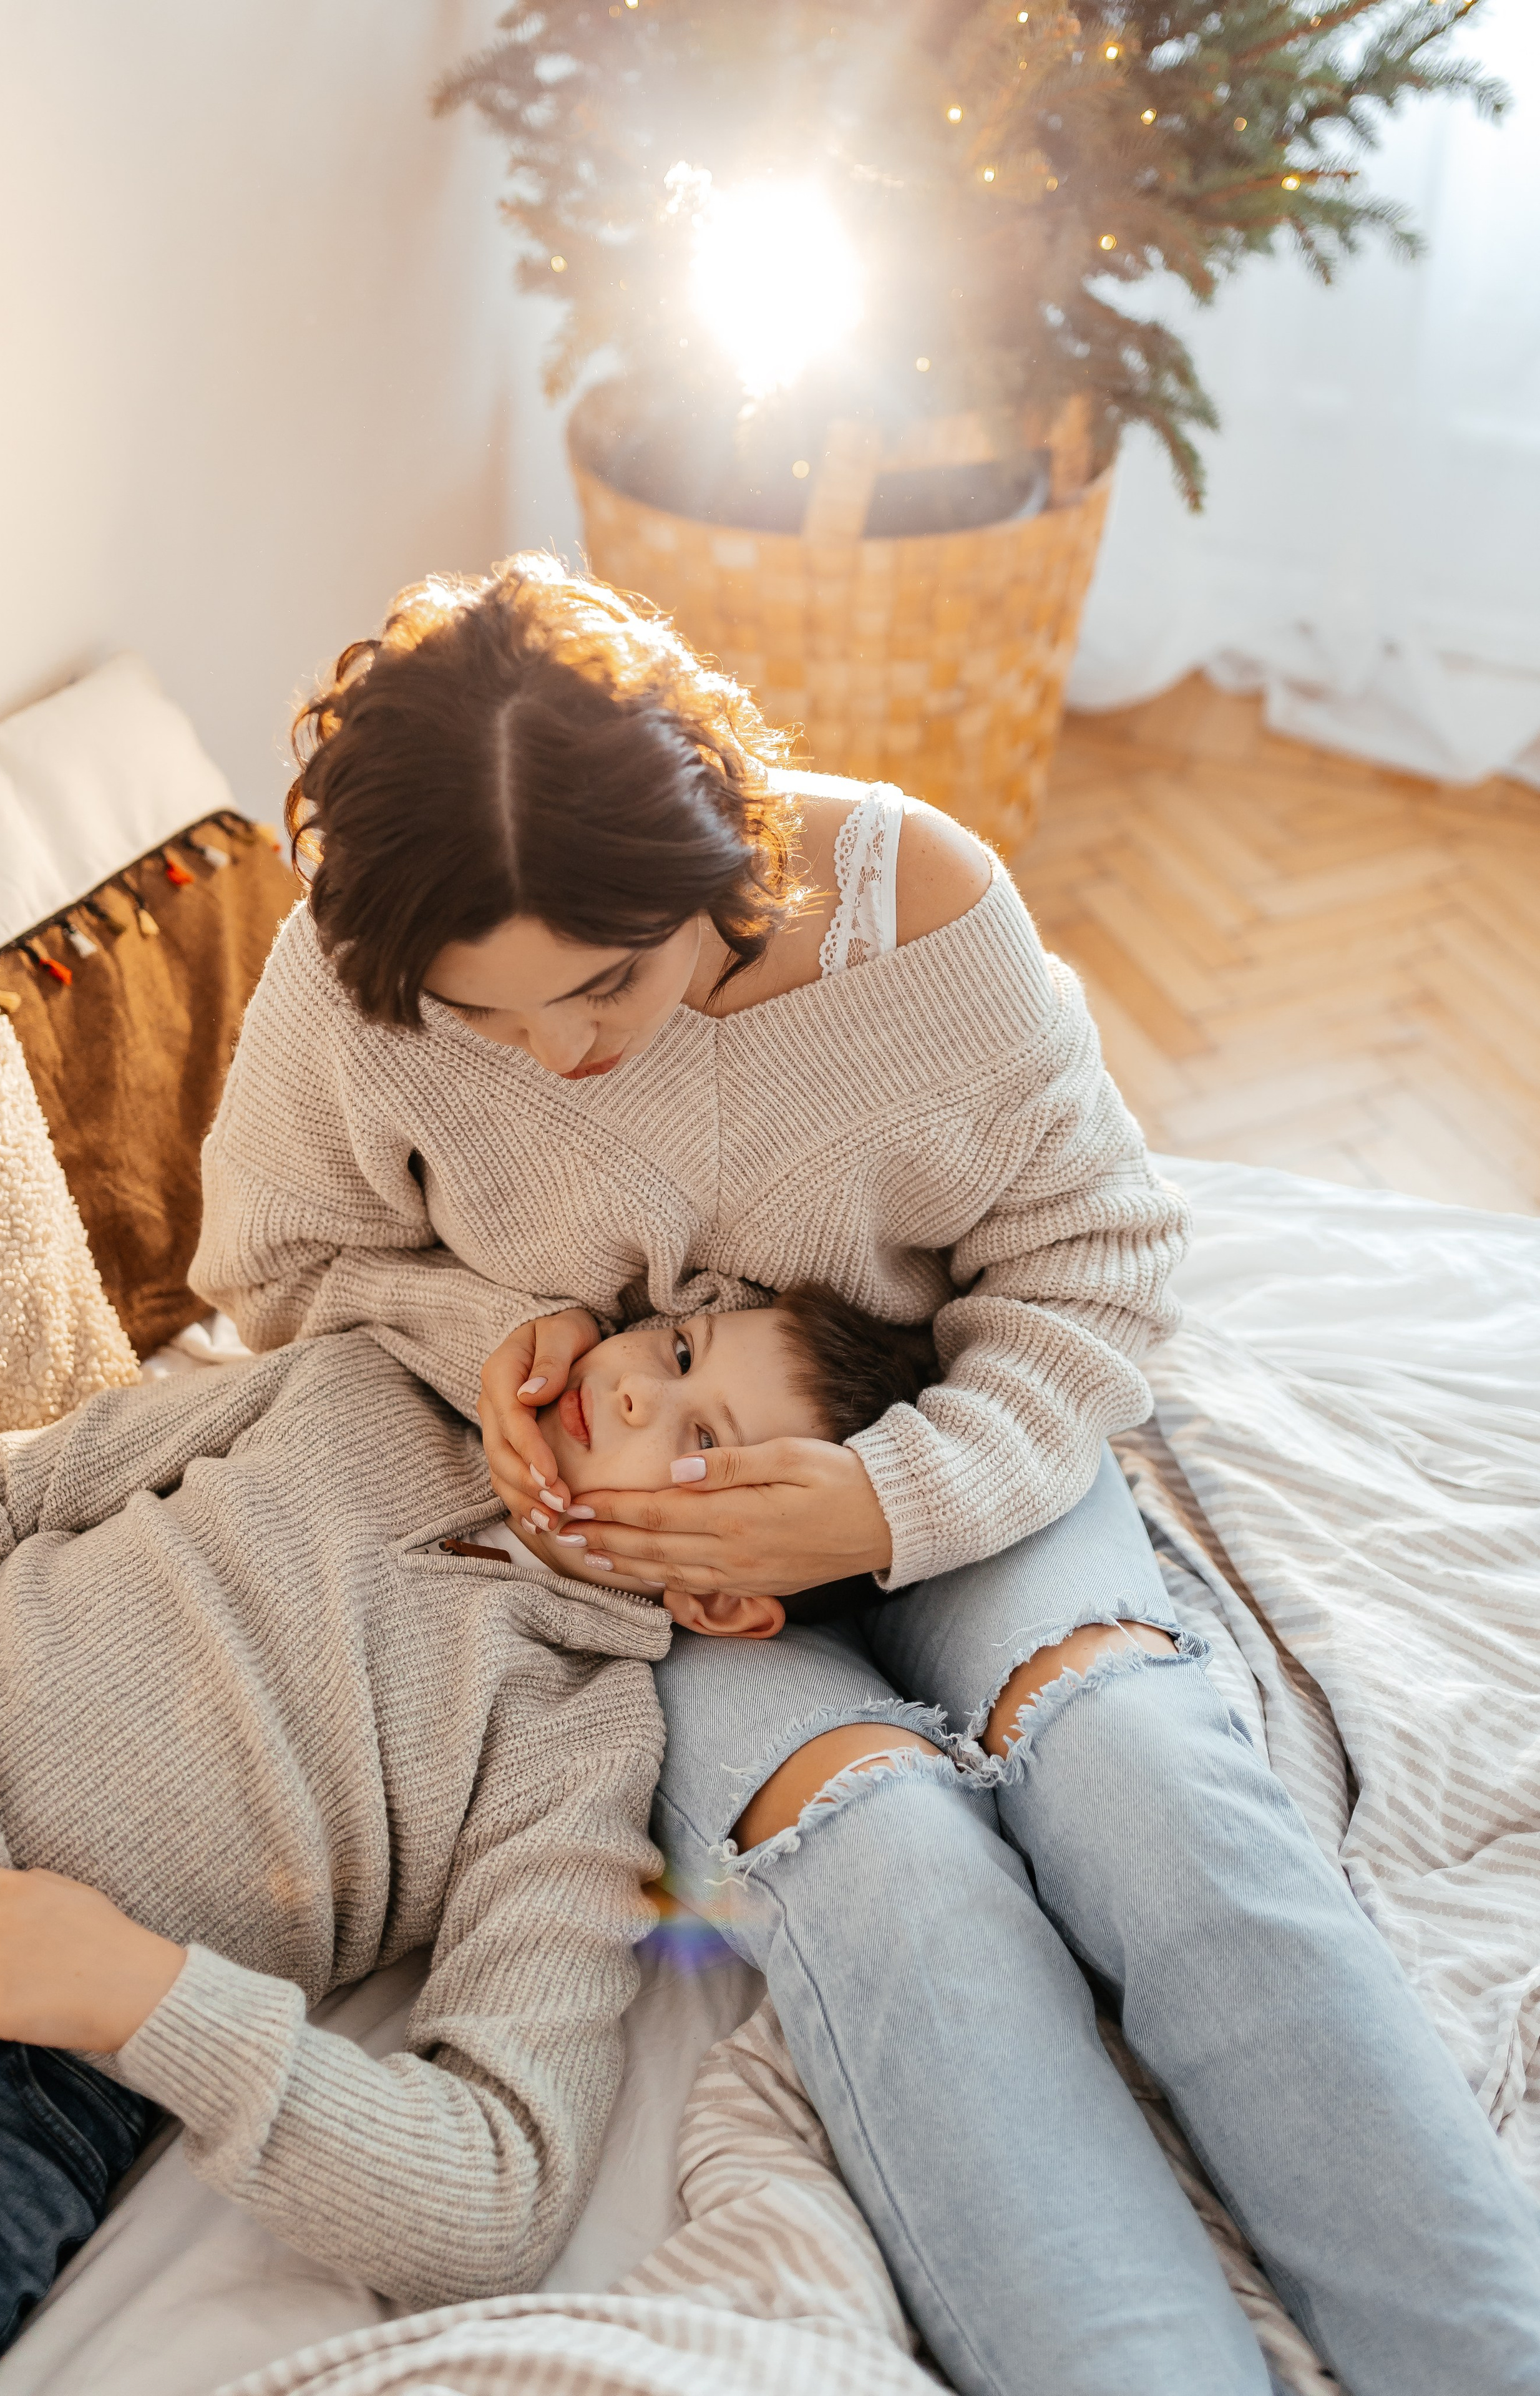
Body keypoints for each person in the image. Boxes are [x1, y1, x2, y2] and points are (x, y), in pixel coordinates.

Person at [192, 557, 1540, 2396]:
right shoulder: (354, 979)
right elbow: (282, 1277)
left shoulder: (916, 917)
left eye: (607, 979)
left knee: (1134, 1763)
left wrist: (905, 1498)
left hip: (970, 1458)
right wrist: (491, 1343)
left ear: (718, 849)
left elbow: (1096, 1260)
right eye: (484, 1020)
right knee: (884, 1855)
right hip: (641, 1566)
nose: (561, 1052)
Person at [0, 1290, 919, 2395]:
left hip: (10, 2055)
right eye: (681, 1347)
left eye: (702, 1444)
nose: (641, 1385)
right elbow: (0, 1495)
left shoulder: (576, 1751)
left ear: (723, 1602)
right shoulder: (359, 1382)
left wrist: (152, 2002)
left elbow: (499, 2194)